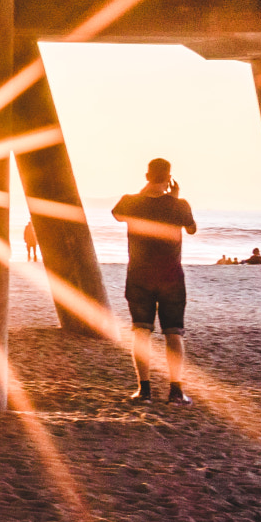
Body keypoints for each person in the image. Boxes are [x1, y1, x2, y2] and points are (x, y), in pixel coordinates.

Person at [113, 158, 197, 404]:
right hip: (171, 277)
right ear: (169, 178)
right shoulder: (179, 204)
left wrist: (144, 192)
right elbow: (191, 229)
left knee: (141, 332)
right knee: (174, 333)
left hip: (139, 276)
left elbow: (117, 215)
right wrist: (174, 198)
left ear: (146, 175)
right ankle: (176, 391)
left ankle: (145, 390)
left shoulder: (130, 201)